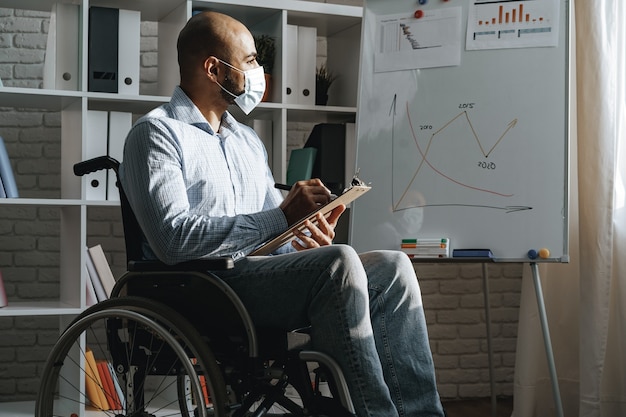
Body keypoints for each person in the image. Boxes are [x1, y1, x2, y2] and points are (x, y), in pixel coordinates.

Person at [119, 11, 445, 417]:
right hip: (205, 287)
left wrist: (303, 236)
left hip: (258, 277)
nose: (260, 71)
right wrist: (283, 218)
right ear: (213, 68)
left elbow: (271, 235)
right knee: (338, 264)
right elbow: (172, 241)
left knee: (392, 266)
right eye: (252, 60)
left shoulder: (247, 141)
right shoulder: (155, 134)